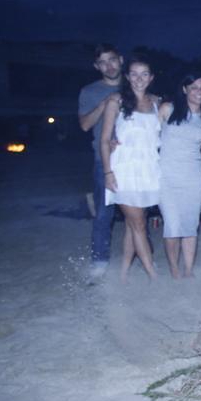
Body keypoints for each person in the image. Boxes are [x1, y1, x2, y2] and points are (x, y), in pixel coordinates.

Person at [99, 58, 160, 283]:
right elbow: (105, 140)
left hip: (148, 171)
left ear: (151, 78)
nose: (139, 79)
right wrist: (107, 172)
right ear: (127, 76)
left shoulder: (156, 103)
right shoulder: (116, 101)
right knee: (138, 224)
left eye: (144, 74)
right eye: (134, 74)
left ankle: (123, 273)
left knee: (134, 224)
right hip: (124, 169)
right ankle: (153, 275)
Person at [157, 73, 201, 279]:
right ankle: (175, 271)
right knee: (172, 224)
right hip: (166, 176)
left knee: (189, 225)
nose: (199, 91)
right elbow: (149, 138)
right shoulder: (168, 109)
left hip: (193, 177)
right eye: (194, 87)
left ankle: (188, 270)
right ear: (184, 89)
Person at [78, 44, 123, 279]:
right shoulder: (89, 91)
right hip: (103, 161)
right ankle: (99, 261)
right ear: (97, 66)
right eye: (103, 62)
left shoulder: (135, 83)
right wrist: (105, 104)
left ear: (121, 60)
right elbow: (85, 125)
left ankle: (143, 258)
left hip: (133, 161)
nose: (109, 65)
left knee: (139, 212)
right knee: (104, 213)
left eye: (112, 59)